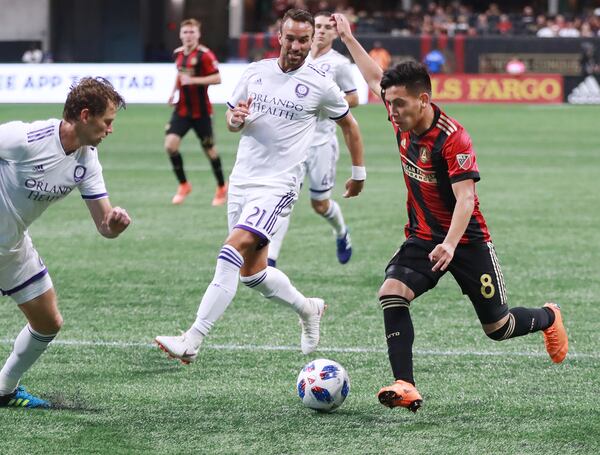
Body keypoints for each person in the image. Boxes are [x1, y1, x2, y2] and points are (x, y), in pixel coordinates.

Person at [331, 13, 568, 412]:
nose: (392, 112)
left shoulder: (452, 137)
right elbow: (377, 78)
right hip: (424, 236)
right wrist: (349, 38)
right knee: (392, 293)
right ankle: (404, 384)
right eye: (389, 104)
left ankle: (548, 316)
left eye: (400, 104)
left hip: (467, 240)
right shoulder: (399, 114)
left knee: (498, 326)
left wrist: (451, 244)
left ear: (423, 100)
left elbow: (466, 200)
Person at [155, 9, 365, 363]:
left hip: (278, 185)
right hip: (242, 181)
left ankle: (193, 338)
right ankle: (308, 308)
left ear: (311, 39)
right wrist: (235, 119)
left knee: (230, 251)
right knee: (252, 274)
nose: (297, 46)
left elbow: (351, 125)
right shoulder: (256, 72)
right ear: (279, 37)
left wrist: (358, 174)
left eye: (304, 39)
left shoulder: (320, 84)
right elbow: (234, 118)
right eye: (291, 38)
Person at [0, 77, 131, 409]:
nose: (111, 130)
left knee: (47, 321)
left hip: (12, 245)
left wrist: (113, 224)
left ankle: (4, 389)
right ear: (86, 116)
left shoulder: (87, 160)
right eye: (108, 121)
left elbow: (104, 226)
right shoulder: (26, 139)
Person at [267, 10, 360, 267]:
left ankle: (342, 232)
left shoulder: (338, 64)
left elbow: (354, 98)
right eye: (317, 26)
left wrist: (328, 103)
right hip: (292, 143)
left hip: (321, 144)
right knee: (283, 199)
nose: (321, 31)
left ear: (333, 33)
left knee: (320, 204)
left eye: (326, 28)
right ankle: (271, 258)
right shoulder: (294, 58)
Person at [165, 18, 227, 206]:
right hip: (182, 110)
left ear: (198, 35)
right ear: (180, 35)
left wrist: (194, 81)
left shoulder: (205, 55)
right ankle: (184, 185)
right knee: (170, 146)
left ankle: (222, 187)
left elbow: (218, 78)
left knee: (209, 150)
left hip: (201, 113)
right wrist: (173, 92)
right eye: (185, 32)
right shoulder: (178, 54)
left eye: (192, 32)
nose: (188, 36)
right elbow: (180, 74)